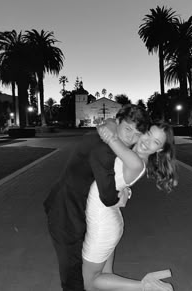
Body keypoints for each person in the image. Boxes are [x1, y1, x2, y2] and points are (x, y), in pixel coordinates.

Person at [43, 104, 149, 291]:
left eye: (137, 134)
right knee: (73, 273)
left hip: (79, 210)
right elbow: (108, 197)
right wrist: (122, 197)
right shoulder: (105, 149)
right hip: (67, 213)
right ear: (118, 123)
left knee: (89, 272)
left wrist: (125, 190)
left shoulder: (111, 141)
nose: (131, 137)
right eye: (127, 129)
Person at [82, 120, 178, 291]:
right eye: (148, 134)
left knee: (90, 282)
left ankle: (143, 285)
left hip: (102, 223)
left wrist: (107, 126)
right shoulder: (132, 156)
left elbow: (108, 134)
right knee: (105, 274)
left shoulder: (135, 160)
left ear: (160, 149)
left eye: (155, 142)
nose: (147, 142)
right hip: (109, 218)